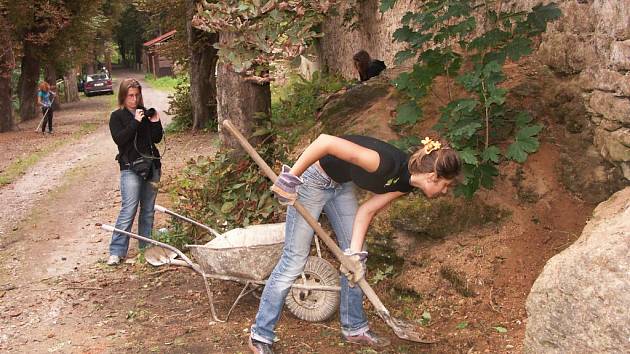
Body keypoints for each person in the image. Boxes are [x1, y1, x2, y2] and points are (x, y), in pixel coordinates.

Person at [248, 135, 461, 353]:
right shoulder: (382, 162)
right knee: (294, 259)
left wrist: (355, 255)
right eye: (446, 185)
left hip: (340, 186)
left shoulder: (405, 184)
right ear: (433, 176)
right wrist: (291, 178)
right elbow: (325, 142)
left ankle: (354, 327)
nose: (444, 191)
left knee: (356, 256)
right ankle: (261, 335)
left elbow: (366, 211)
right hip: (313, 181)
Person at [107, 78, 163, 265]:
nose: (134, 99)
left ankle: (145, 249)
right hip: (130, 168)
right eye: (130, 95)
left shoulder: (144, 113)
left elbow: (156, 139)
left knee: (148, 210)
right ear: (123, 96)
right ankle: (116, 251)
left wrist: (155, 122)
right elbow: (120, 140)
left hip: (152, 166)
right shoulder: (117, 116)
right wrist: (135, 122)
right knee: (129, 209)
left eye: (137, 95)